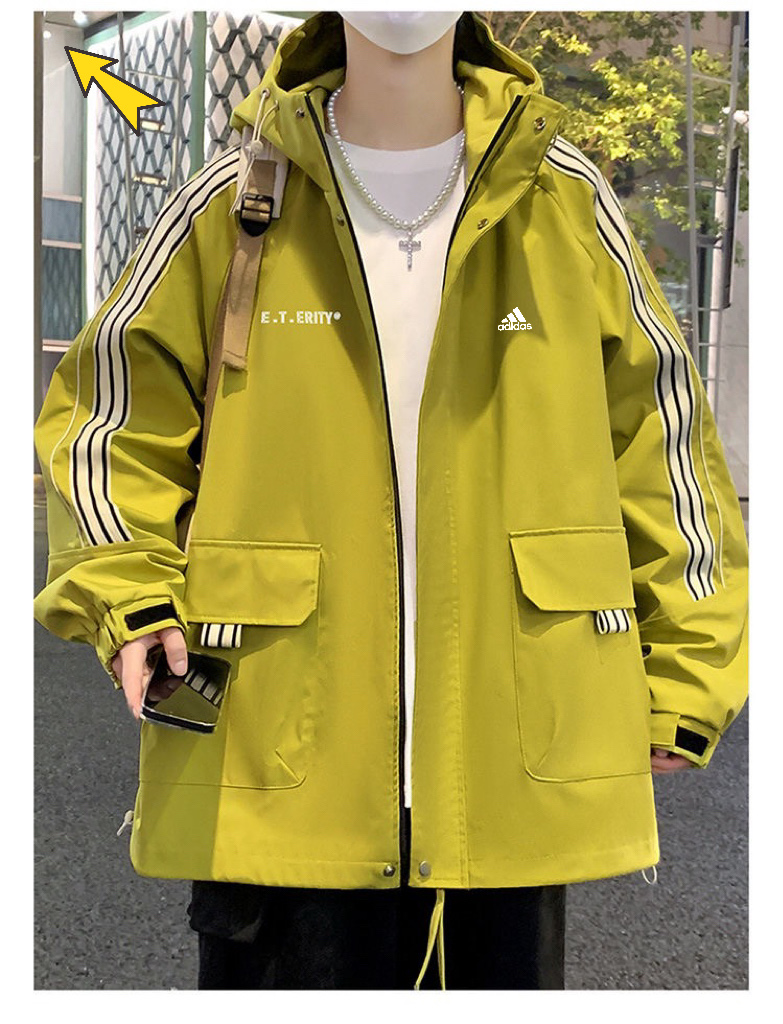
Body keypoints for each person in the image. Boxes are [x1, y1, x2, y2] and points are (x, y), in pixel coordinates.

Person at [33, 10, 748, 990]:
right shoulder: (231, 202)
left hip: (514, 753)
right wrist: (128, 593)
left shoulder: (564, 199)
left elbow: (664, 437)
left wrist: (689, 668)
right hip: (271, 743)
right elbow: (109, 414)